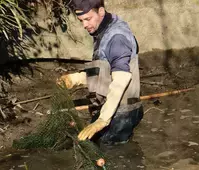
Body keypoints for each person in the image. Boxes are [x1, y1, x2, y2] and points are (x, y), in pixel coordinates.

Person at [57, 0, 143, 145]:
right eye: (81, 21)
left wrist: (103, 119)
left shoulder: (116, 38)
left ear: (101, 11)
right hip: (111, 107)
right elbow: (105, 72)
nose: (84, 25)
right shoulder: (103, 29)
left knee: (111, 154)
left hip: (122, 113)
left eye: (88, 19)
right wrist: (75, 79)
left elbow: (121, 80)